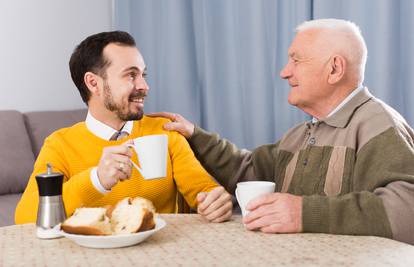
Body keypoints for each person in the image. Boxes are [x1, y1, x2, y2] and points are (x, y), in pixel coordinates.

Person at [149, 19, 414, 244]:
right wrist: (194, 134)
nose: (285, 72)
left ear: (334, 69)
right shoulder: (301, 134)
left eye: (296, 60)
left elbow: (406, 212)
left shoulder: (378, 124)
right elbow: (247, 169)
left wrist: (303, 213)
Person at [15, 31, 232, 224]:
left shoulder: (165, 131)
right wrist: (95, 180)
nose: (144, 86)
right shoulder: (60, 145)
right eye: (131, 75)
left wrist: (215, 202)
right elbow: (25, 217)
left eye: (143, 74)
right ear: (93, 83)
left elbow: (203, 191)